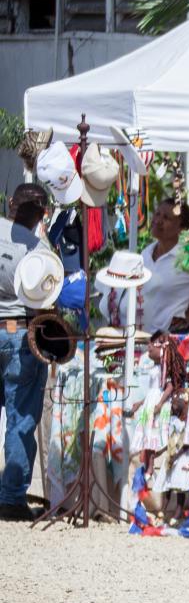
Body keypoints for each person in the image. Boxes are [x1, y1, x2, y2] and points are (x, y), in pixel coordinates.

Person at [99, 200, 189, 333]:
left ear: (182, 228)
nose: (158, 220)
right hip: (142, 340)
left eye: (166, 218)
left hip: (174, 339)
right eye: (157, 214)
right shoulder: (146, 253)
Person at [0, 183, 54, 521]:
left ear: (11, 203)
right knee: (20, 419)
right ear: (42, 215)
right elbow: (46, 301)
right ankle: (11, 499)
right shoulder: (39, 250)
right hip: (20, 333)